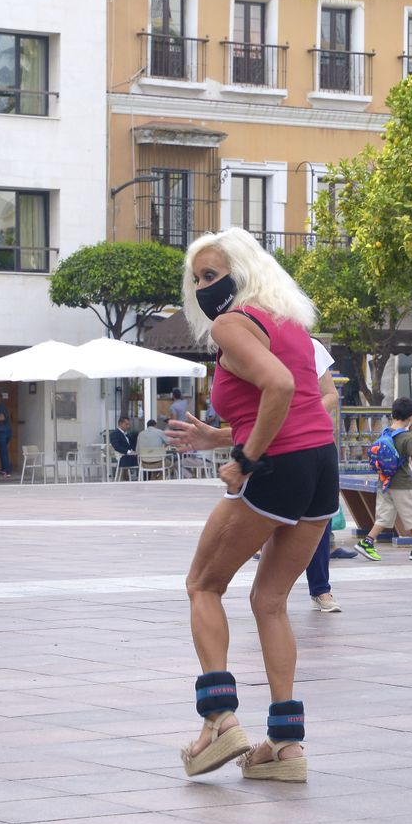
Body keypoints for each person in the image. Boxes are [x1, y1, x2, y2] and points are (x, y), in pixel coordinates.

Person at [164, 228, 338, 784]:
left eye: (212, 275)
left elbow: (280, 388)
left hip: (278, 467)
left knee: (202, 585)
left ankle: (218, 720)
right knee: (270, 600)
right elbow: (295, 400)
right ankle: (286, 747)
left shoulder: (231, 324)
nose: (204, 288)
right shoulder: (287, 323)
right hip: (321, 469)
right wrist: (218, 437)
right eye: (197, 280)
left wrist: (243, 458)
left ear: (242, 270)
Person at [355, 398, 412, 562]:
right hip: (403, 484)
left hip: (384, 481)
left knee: (383, 516)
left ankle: (367, 542)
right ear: (411, 418)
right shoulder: (407, 437)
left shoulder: (385, 433)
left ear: (393, 414)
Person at [303, 338, 342, 612]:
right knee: (271, 521)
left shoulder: (311, 345)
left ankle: (321, 589)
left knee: (319, 519)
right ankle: (269, 591)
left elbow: (330, 394)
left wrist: (304, 415)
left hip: (314, 443)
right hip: (271, 444)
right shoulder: (253, 340)